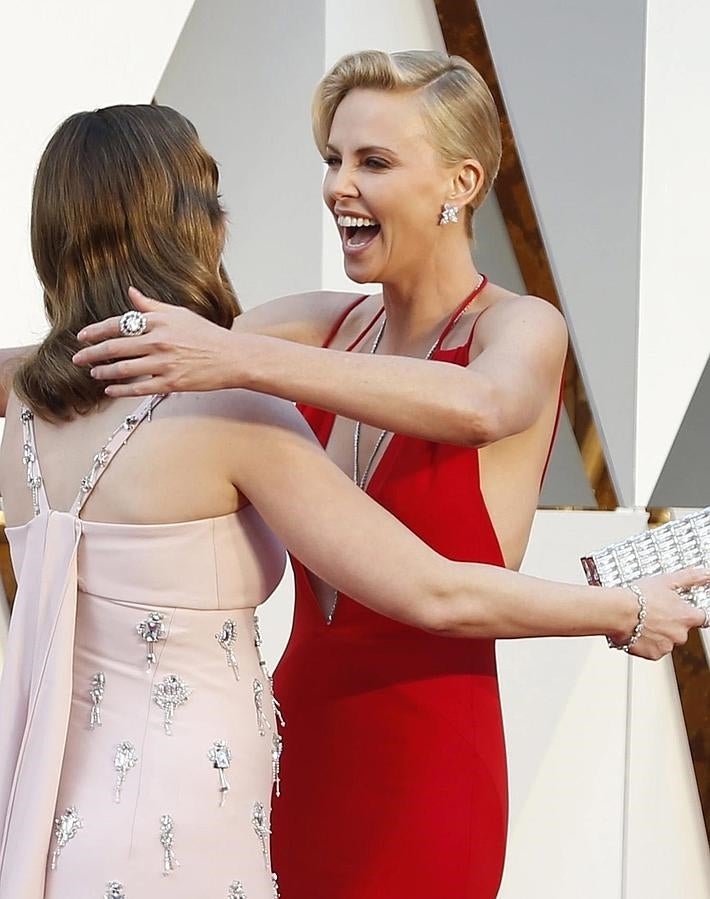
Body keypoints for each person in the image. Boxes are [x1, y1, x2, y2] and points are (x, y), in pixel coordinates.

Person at [2, 65, 707, 899]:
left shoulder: (519, 327)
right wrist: (31, 373)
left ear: (461, 182)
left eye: (373, 162)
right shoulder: (318, 327)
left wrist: (237, 355)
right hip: (285, 747)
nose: (339, 186)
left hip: (431, 754)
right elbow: (125, 353)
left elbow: (484, 406)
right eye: (331, 159)